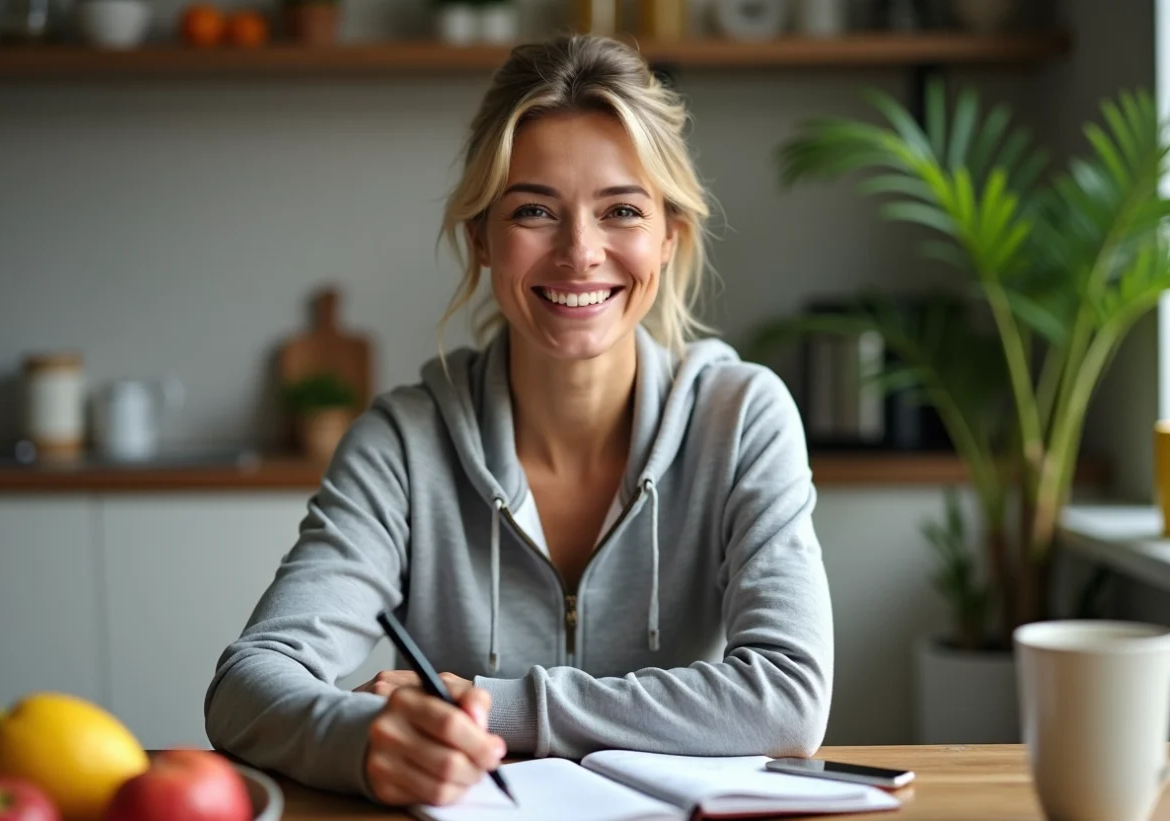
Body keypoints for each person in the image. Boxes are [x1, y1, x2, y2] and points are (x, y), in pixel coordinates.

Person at [204, 33, 834, 808]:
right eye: (535, 210)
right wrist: (369, 743)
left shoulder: (741, 417)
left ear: (668, 237)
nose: (579, 252)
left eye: (622, 210)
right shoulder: (403, 442)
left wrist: (499, 705)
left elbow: (787, 698)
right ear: (483, 239)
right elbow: (246, 683)